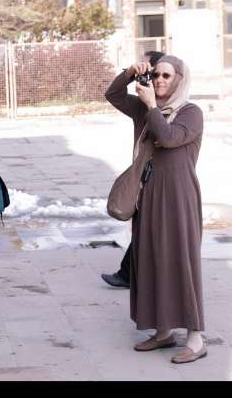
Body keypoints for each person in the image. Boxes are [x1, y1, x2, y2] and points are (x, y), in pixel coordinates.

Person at [105, 54, 206, 363]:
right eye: (156, 75)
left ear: (178, 79)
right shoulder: (145, 111)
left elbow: (169, 137)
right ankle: (163, 332)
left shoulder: (190, 113)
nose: (160, 80)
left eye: (166, 76)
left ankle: (196, 338)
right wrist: (128, 72)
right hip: (147, 195)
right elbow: (113, 95)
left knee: (181, 263)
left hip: (179, 198)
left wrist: (151, 107)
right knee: (150, 260)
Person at [101, 50, 165, 289]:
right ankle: (128, 273)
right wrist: (129, 73)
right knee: (142, 226)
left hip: (165, 181)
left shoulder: (180, 108)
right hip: (143, 179)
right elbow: (113, 95)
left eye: (152, 71)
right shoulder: (140, 107)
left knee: (153, 229)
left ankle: (132, 274)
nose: (150, 77)